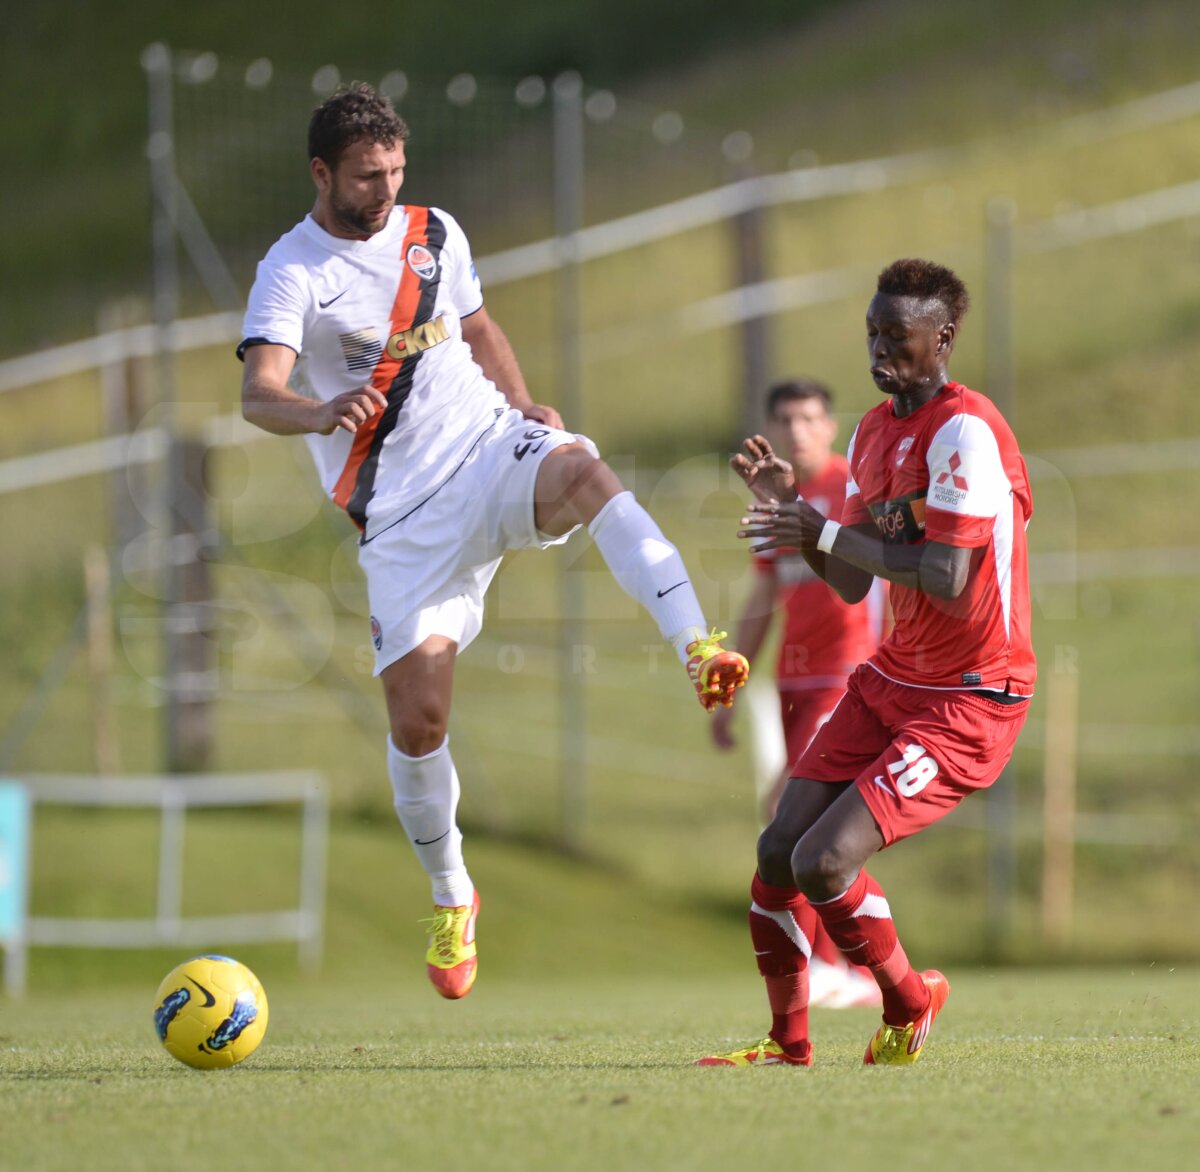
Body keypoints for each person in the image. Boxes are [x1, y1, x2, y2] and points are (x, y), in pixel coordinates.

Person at [237, 82, 749, 1001]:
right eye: (366, 175)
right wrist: (317, 410)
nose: (386, 187)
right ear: (322, 173)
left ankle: (699, 645)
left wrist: (524, 407)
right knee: (419, 721)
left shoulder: (436, 230)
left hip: (486, 446)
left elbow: (475, 327)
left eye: (396, 169)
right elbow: (257, 391)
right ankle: (450, 893)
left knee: (587, 471)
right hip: (398, 517)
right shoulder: (292, 270)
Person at [696, 257, 1035, 1067]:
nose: (880, 351)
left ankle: (909, 1002)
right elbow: (850, 578)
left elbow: (949, 576)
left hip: (970, 697)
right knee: (777, 851)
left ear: (943, 338)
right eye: (872, 333)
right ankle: (789, 1043)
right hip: (891, 680)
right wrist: (793, 510)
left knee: (824, 860)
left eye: (898, 336)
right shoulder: (872, 432)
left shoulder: (966, 430)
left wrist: (816, 528)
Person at [711, 379, 886, 1010]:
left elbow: (875, 586)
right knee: (800, 821)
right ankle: (849, 969)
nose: (797, 430)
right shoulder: (774, 499)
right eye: (785, 418)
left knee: (792, 807)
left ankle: (826, 965)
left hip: (849, 674)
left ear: (830, 425)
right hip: (794, 677)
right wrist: (733, 682)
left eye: (810, 417)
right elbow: (764, 596)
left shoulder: (855, 489)